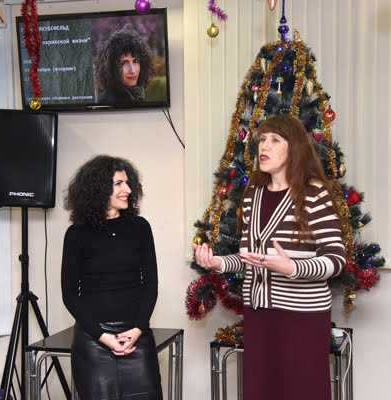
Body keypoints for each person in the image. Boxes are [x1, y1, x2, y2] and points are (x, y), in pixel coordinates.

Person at [192, 115, 346, 400]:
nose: (264, 146)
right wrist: (218, 263)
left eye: (275, 140)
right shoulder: (253, 195)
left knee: (303, 392)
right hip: (258, 316)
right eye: (262, 139)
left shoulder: (314, 193)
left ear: (294, 148)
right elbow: (250, 257)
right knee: (261, 391)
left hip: (302, 316)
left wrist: (293, 268)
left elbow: (336, 259)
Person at [61, 155, 162, 400]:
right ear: (98, 189)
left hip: (136, 337)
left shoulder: (140, 227)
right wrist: (103, 336)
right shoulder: (76, 234)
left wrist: (137, 330)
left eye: (127, 183)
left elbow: (151, 285)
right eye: (118, 183)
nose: (128, 189)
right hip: (94, 341)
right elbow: (70, 295)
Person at [95, 25, 155, 105]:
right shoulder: (107, 100)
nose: (133, 71)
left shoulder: (137, 94)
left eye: (135, 61)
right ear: (112, 68)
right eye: (123, 63)